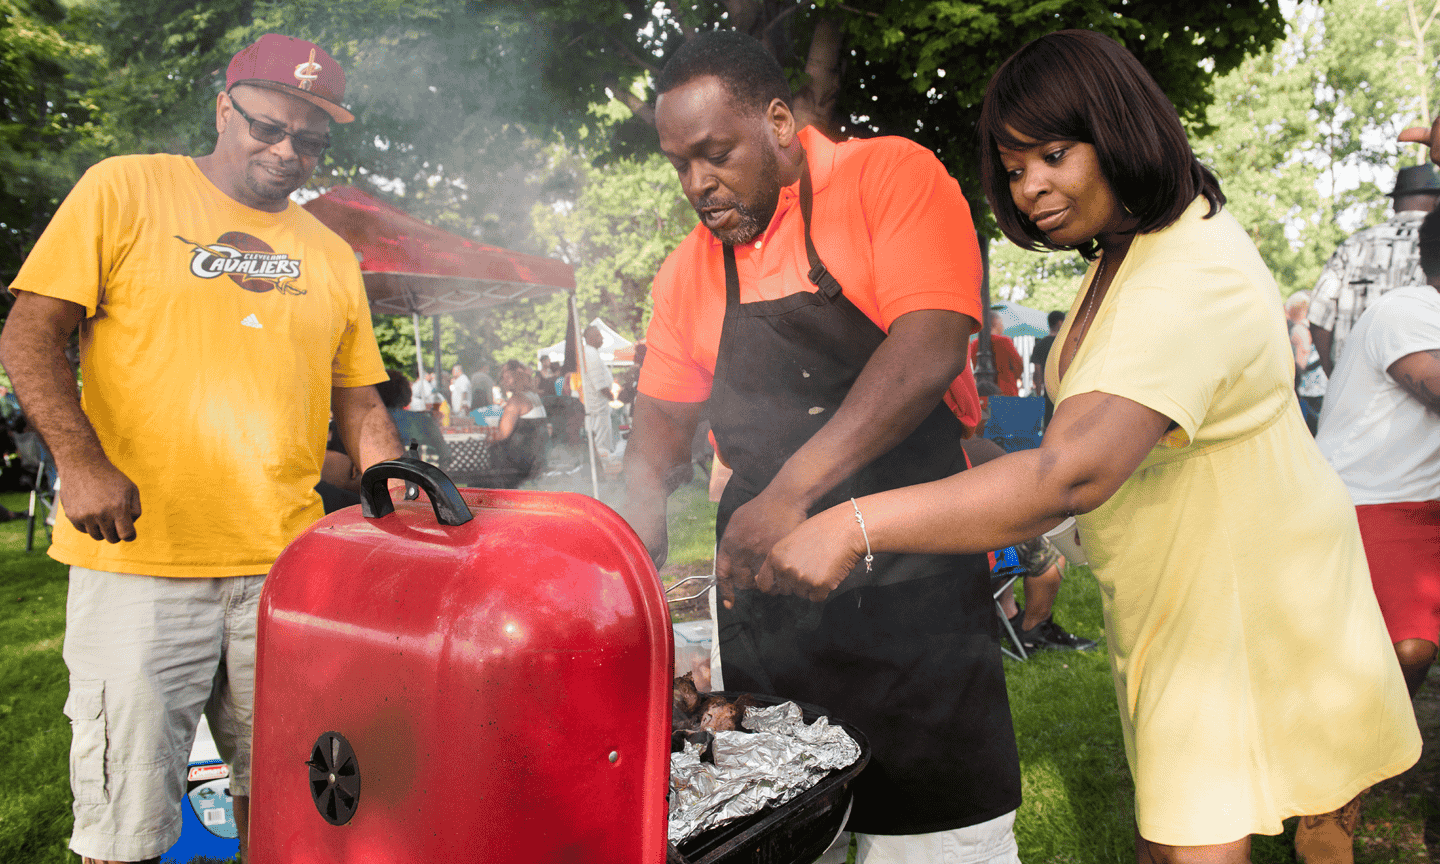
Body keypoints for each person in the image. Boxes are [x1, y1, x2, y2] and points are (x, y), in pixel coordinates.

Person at [761, 30, 1419, 864]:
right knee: (1254, 820)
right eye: (1013, 167)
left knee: (1196, 842)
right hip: (1190, 588)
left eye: (1054, 154)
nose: (1030, 187)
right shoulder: (1129, 254)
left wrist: (850, 524)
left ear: (1119, 131)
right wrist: (956, 459)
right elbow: (1087, 442)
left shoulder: (1188, 274)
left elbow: (1070, 471)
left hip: (1244, 598)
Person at [0, 34, 404, 864]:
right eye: (269, 128)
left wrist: (396, 492)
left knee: (296, 806)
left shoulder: (328, 254)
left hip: (286, 571)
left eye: (311, 140)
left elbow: (360, 402)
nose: (289, 153)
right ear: (224, 108)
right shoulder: (125, 188)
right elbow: (30, 332)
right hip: (138, 565)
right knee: (126, 822)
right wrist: (80, 462)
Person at [624, 30, 1020, 863]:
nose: (698, 184)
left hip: (914, 591)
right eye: (678, 164)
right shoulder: (683, 273)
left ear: (777, 121)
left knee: (937, 841)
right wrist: (627, 567)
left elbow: (931, 344)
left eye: (715, 153)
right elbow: (658, 434)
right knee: (783, 838)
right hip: (772, 624)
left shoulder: (890, 178)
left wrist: (788, 497)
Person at [1316, 207, 1440, 702]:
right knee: (1406, 647)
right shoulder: (1408, 310)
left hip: (1422, 503)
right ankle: (1357, 745)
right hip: (1373, 503)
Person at [962, 437, 1095, 652]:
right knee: (1042, 544)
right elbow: (1027, 502)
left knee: (1005, 541)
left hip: (925, 569)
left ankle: (1007, 612)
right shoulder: (980, 450)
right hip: (981, 564)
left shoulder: (903, 458)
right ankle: (1033, 629)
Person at [1308, 163, 1440, 376]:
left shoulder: (1353, 245)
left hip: (1352, 393)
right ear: (1437, 201)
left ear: (1395, 203)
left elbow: (1318, 317)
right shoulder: (1434, 243)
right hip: (1419, 397)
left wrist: (1334, 376)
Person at [474, 359, 548, 488]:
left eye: (507, 377)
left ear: (517, 377)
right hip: (535, 460)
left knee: (474, 473)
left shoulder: (516, 400)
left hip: (516, 465)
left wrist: (482, 436)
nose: (503, 381)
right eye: (503, 378)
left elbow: (502, 434)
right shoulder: (533, 396)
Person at [1285, 291, 1327, 432]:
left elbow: (1303, 352)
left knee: (1309, 424)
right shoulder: (1313, 325)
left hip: (1309, 386)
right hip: (1321, 382)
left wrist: (1294, 377)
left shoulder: (1299, 328)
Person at [969, 312, 1024, 396]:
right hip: (1006, 391)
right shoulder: (1005, 341)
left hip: (981, 393)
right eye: (1001, 323)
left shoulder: (975, 343)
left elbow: (974, 364)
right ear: (995, 323)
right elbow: (1018, 367)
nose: (1002, 327)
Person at [581, 325, 615, 454]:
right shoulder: (590, 353)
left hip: (599, 407)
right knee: (601, 445)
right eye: (598, 335)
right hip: (598, 408)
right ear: (590, 338)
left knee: (602, 443)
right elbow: (600, 385)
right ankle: (602, 471)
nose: (602, 338)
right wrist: (613, 397)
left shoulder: (591, 352)